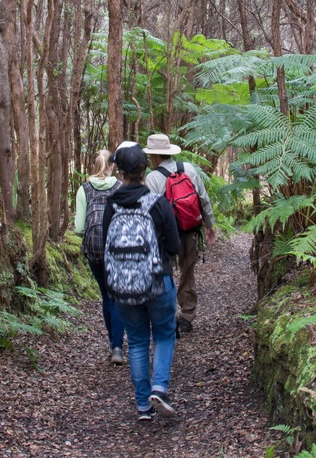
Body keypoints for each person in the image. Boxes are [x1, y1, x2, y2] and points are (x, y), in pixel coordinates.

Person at [103, 144, 181, 420]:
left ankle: (142, 406)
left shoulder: (111, 205)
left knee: (136, 341)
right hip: (158, 282)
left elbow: (105, 248)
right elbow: (174, 246)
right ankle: (159, 388)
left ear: (120, 173)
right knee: (163, 333)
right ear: (144, 170)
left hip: (123, 287)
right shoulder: (158, 203)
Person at [142, 133, 216, 335]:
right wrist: (209, 225)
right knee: (187, 271)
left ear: (155, 156)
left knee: (165, 272)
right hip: (189, 229)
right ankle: (187, 314)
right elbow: (203, 199)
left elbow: (150, 210)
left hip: (164, 236)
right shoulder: (189, 169)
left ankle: (168, 314)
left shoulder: (153, 178)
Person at [73, 149, 125, 365]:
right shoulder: (120, 187)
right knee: (117, 298)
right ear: (111, 166)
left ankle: (111, 342)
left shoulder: (84, 189)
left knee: (106, 296)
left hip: (95, 252)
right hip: (116, 251)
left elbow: (78, 228)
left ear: (94, 166)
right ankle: (117, 347)